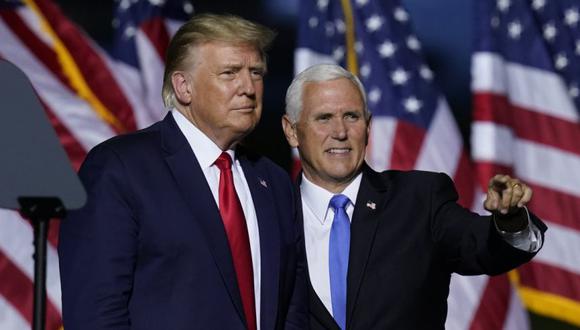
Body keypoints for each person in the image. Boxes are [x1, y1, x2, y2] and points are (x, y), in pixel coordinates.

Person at [59, 14, 307, 330]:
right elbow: (96, 317)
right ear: (183, 86)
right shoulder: (119, 169)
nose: (248, 87)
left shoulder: (273, 182)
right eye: (230, 73)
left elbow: (292, 311)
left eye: (256, 72)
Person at [281, 64, 546, 330]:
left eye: (351, 116)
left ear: (368, 126)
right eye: (324, 118)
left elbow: (482, 246)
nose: (340, 132)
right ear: (292, 131)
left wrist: (510, 220)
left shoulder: (419, 200)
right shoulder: (269, 214)